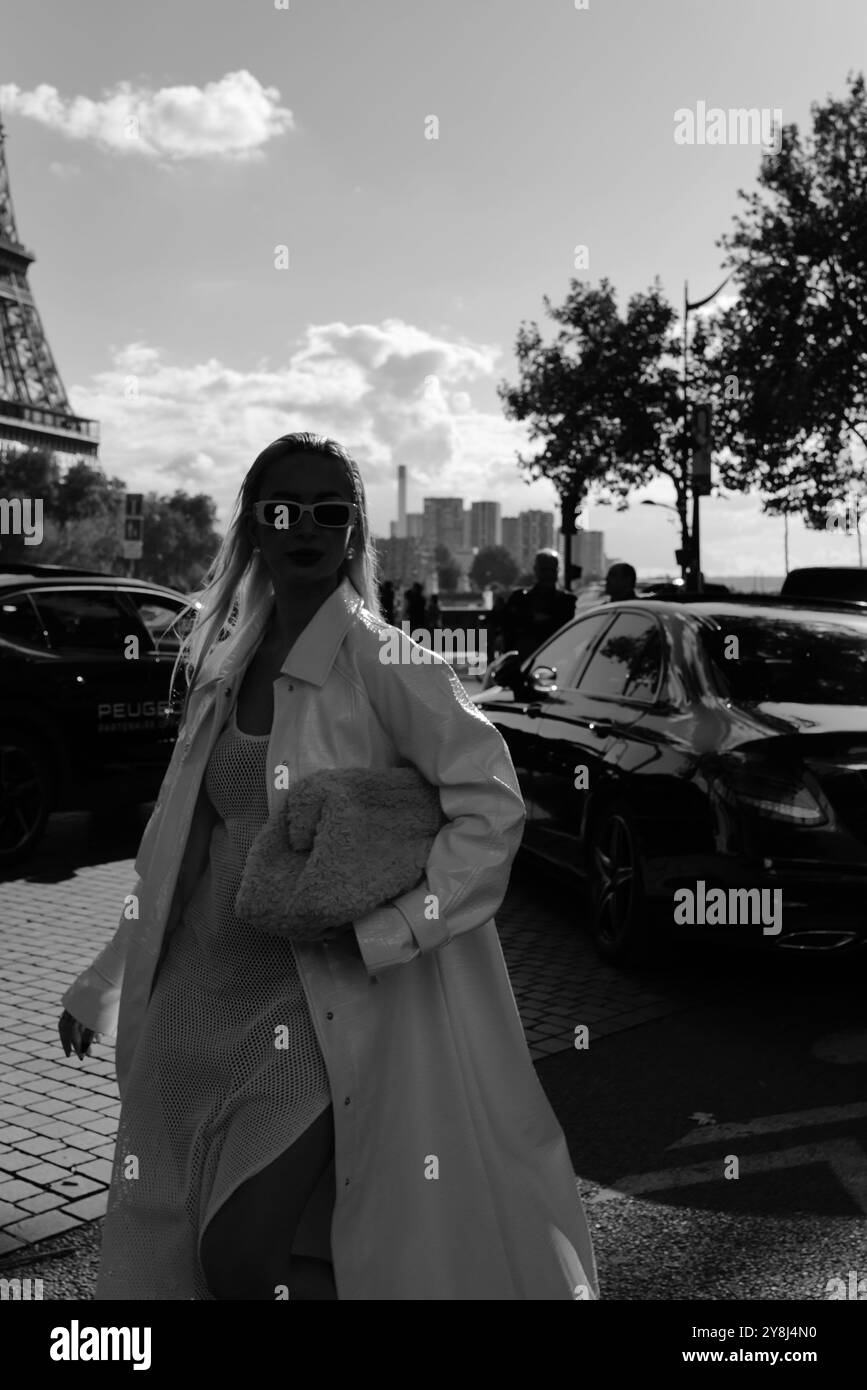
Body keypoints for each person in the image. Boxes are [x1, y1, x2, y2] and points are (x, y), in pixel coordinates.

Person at [57, 431, 598, 1302]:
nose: (304, 525)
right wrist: (106, 979)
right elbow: (175, 849)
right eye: (281, 509)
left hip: (315, 1000)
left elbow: (491, 807)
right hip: (202, 989)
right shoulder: (220, 664)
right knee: (194, 1229)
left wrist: (393, 929)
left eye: (329, 510)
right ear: (253, 528)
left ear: (354, 534)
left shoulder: (387, 662)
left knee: (239, 1258)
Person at [500, 549, 577, 662]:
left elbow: (562, 628)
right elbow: (508, 627)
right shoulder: (520, 598)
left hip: (555, 659)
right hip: (523, 660)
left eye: (551, 570)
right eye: (545, 570)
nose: (548, 574)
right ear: (536, 570)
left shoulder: (566, 600)